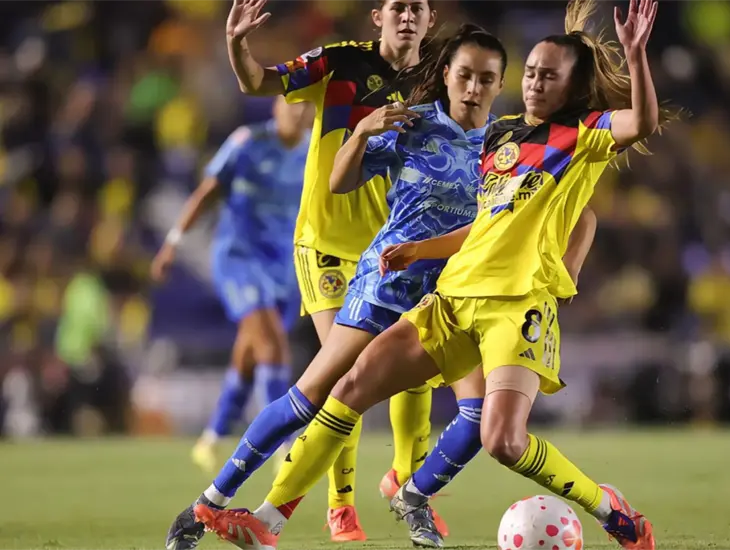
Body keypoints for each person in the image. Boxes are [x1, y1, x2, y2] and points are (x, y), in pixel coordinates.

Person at [191, 1, 675, 550]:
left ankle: (603, 509)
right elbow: (487, 228)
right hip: (447, 294)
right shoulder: (503, 140)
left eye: (545, 75)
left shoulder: (581, 136)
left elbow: (635, 134)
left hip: (514, 307)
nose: (534, 83)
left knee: (500, 439)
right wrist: (419, 246)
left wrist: (635, 55)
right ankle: (268, 520)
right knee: (345, 389)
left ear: (565, 84)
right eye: (531, 73)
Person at [191, 24, 520, 550]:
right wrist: (363, 132)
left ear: (501, 83)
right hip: (386, 283)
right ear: (448, 76)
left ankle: (409, 491)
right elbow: (340, 181)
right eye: (465, 75)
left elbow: (501, 223)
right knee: (319, 392)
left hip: (451, 296)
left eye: (486, 78)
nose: (474, 87)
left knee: (481, 414)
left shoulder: (507, 145)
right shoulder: (415, 125)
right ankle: (220, 500)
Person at [166, 1, 442, 548]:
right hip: (325, 245)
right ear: (376, 17)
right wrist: (237, 46)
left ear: (431, 20)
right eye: (397, 6)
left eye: (418, 7)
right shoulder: (339, 63)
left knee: (414, 374)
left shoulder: (436, 82)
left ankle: (407, 484)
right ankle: (339, 507)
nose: (407, 16)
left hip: (391, 249)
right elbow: (258, 84)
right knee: (344, 376)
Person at [151, 99, 311, 474]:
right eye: (292, 104)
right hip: (238, 257)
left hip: (283, 266)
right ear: (276, 107)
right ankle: (281, 444)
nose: (299, 112)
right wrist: (173, 241)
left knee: (250, 351)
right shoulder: (246, 142)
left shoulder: (314, 150)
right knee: (272, 345)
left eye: (307, 106)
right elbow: (208, 191)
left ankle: (211, 437)